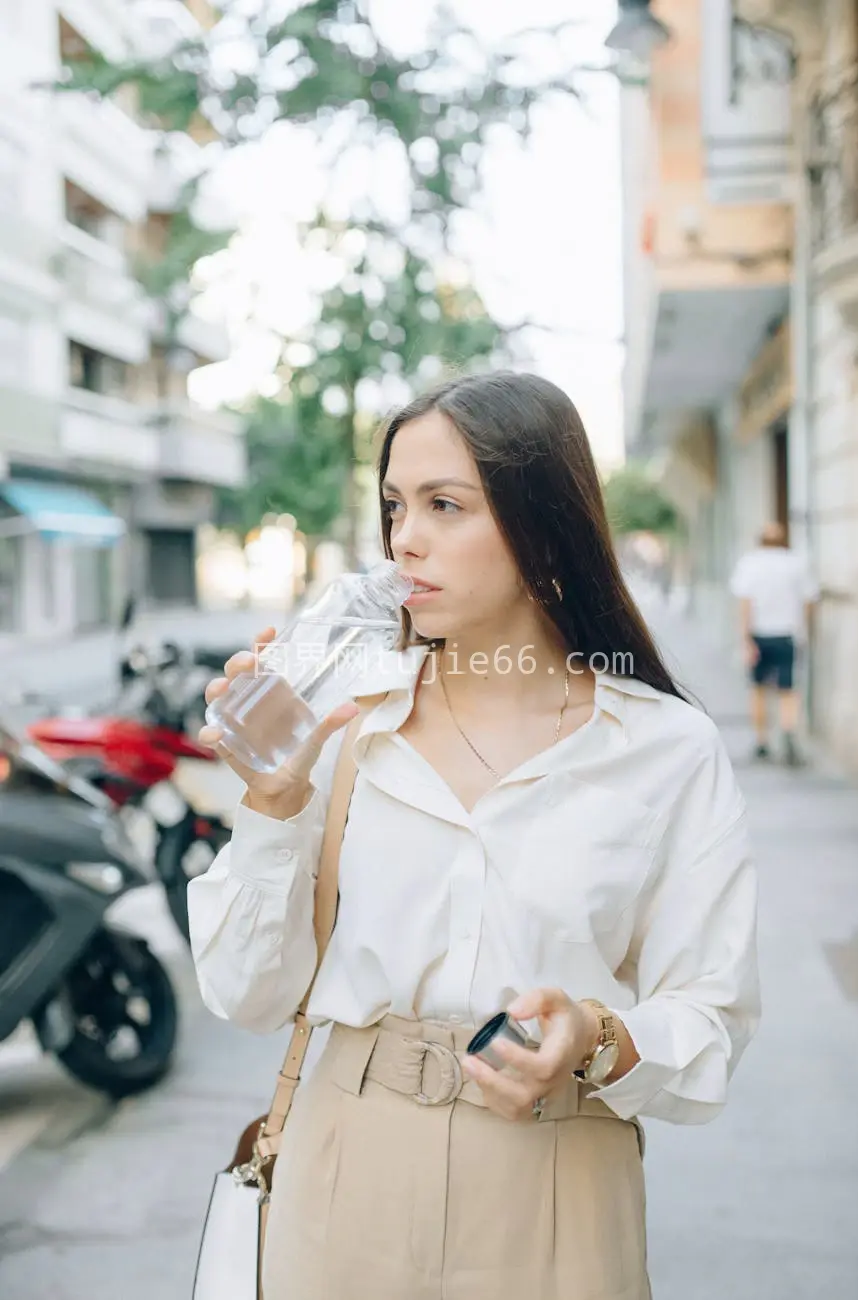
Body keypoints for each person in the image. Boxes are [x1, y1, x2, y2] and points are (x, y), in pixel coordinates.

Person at [189, 371, 760, 1300]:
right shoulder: (342, 724)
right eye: (394, 507)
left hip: (558, 1183)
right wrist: (274, 803)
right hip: (343, 1171)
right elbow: (246, 996)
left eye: (444, 505)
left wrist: (595, 1035)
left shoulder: (663, 748)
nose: (404, 539)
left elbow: (714, 1016)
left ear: (545, 528)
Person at [729, 521, 818, 766]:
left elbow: (745, 603)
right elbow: (810, 600)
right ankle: (788, 733)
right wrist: (803, 628)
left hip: (759, 635)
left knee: (758, 689)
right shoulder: (796, 563)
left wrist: (745, 639)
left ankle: (761, 742)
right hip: (787, 634)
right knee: (787, 689)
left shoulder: (749, 563)